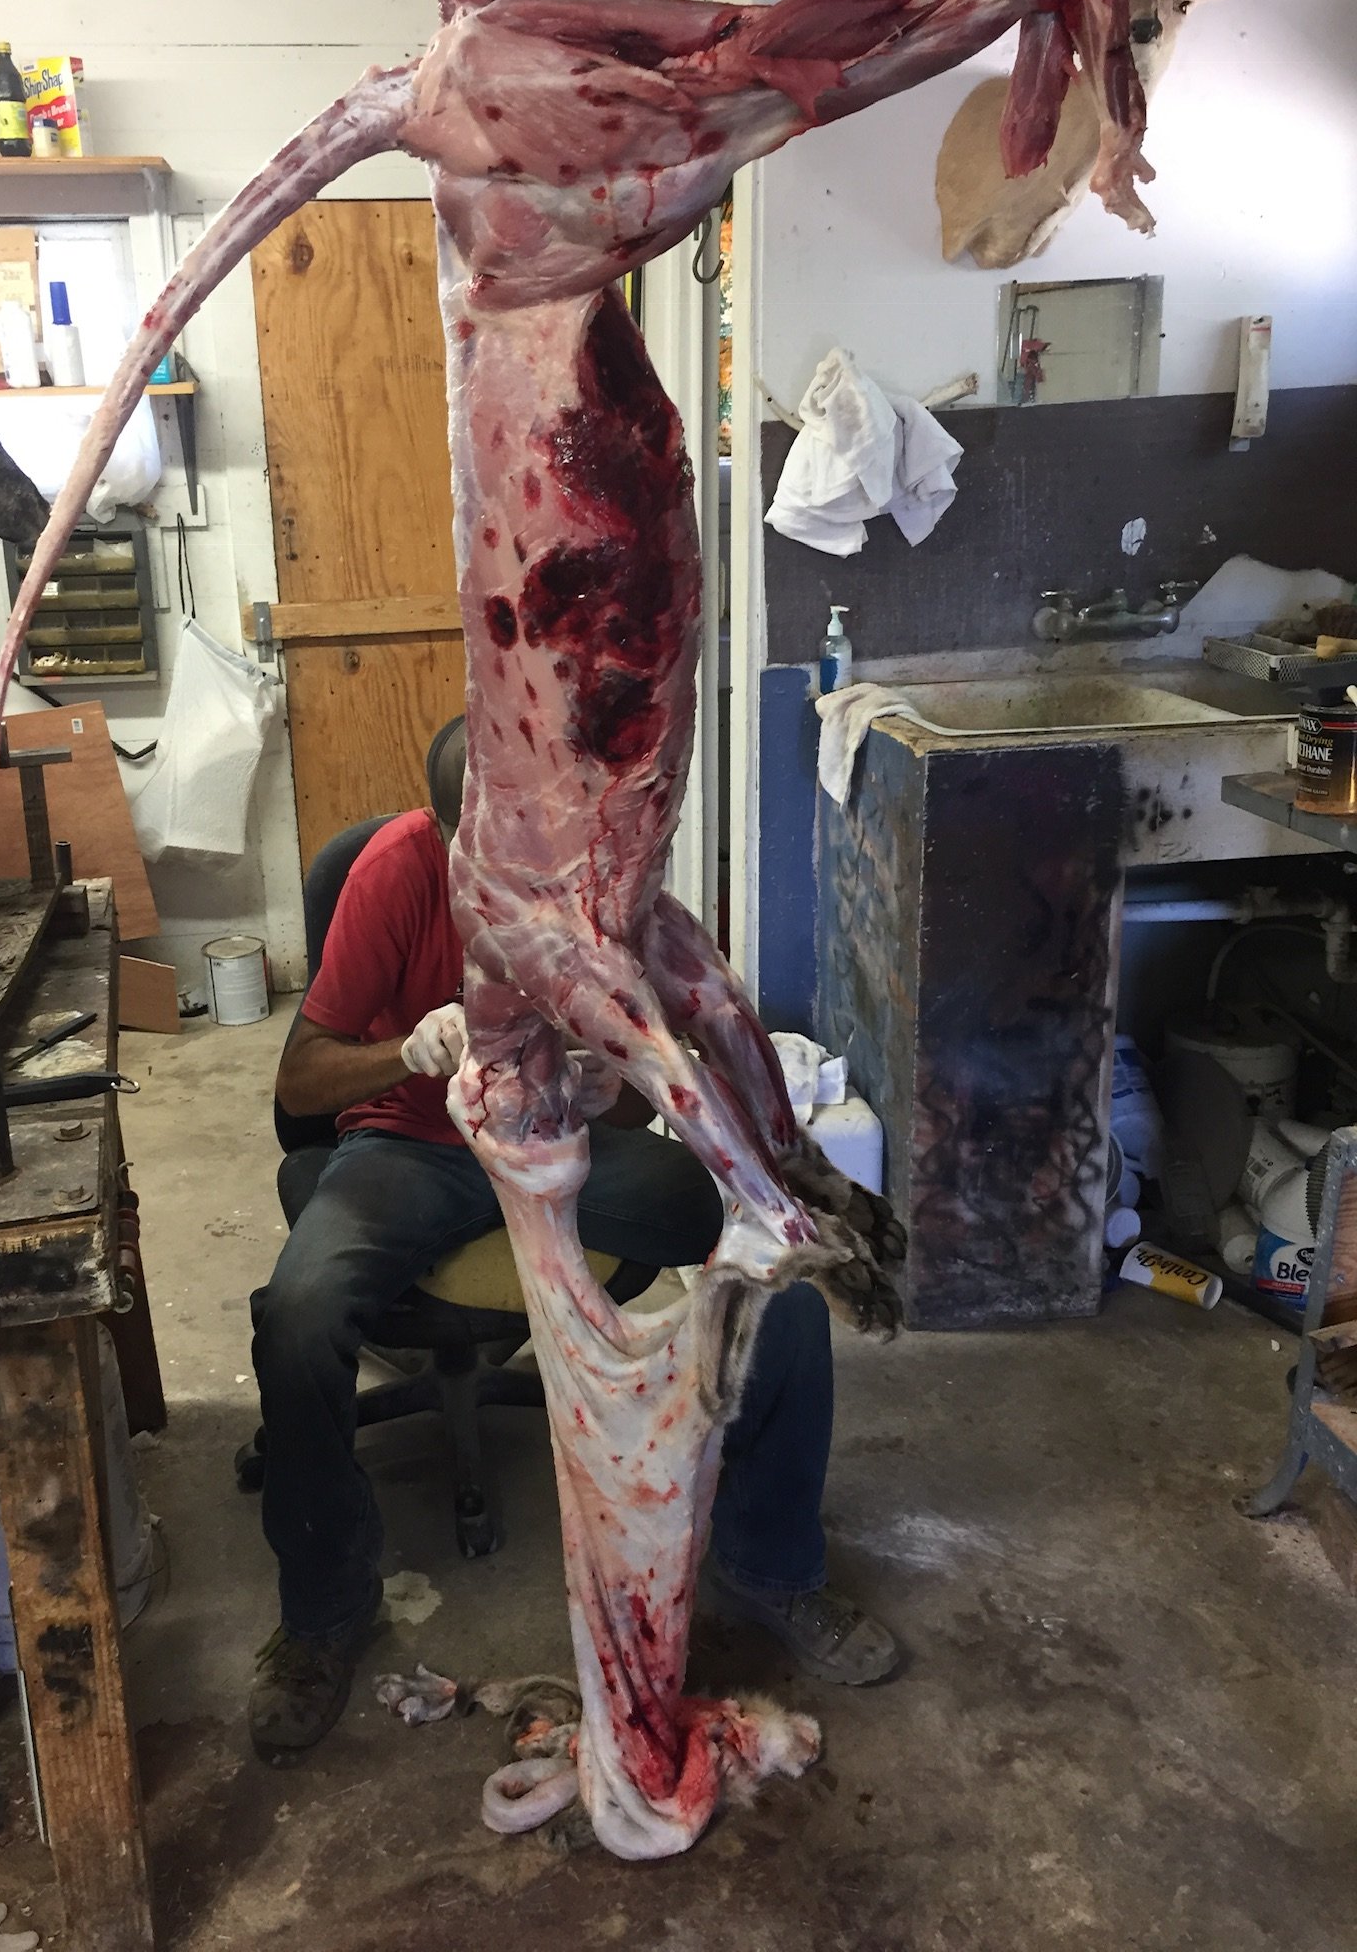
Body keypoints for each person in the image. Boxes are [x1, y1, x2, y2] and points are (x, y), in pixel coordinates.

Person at [248, 718, 899, 1762]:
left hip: (559, 1138)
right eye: (489, 861)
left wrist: (606, 1083)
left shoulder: (587, 885)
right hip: (413, 1148)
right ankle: (323, 1612)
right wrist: (404, 1053)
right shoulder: (395, 871)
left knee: (774, 1266)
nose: (519, 885)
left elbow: (645, 1086)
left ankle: (772, 1560)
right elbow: (300, 1079)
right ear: (452, 835)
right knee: (299, 1315)